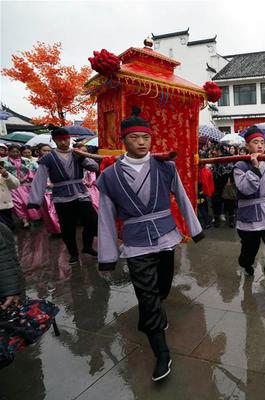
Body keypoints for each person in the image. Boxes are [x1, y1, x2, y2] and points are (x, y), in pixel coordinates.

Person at [96, 107, 204, 381]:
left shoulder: (165, 166)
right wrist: (107, 256)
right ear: (124, 141)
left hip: (167, 236)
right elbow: (106, 220)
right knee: (147, 296)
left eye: (146, 137)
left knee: (163, 287)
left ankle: (154, 312)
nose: (142, 142)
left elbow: (181, 196)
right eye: (135, 138)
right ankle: (161, 352)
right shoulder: (109, 177)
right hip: (136, 244)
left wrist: (194, 229)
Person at [28, 127, 98, 265]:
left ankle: (87, 246)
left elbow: (94, 168)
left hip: (81, 192)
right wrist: (34, 201)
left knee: (93, 220)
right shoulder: (48, 158)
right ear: (54, 140)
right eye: (60, 140)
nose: (64, 142)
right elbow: (40, 179)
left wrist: (82, 159)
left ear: (69, 138)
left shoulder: (77, 153)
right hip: (61, 195)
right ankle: (73, 254)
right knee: (67, 227)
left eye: (66, 139)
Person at [233, 126, 265, 300]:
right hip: (249, 215)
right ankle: (246, 263)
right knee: (249, 249)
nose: (260, 146)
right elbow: (245, 189)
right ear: (247, 146)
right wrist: (254, 168)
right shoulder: (240, 165)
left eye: (262, 142)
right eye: (255, 142)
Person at [2, 144, 40, 228]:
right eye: (13, 151)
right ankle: (24, 220)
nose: (15, 153)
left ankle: (31, 218)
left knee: (27, 203)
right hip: (12, 186)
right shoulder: (3, 161)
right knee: (17, 204)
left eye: (17, 151)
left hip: (25, 185)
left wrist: (26, 178)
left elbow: (34, 170)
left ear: (20, 152)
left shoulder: (26, 160)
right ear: (8, 152)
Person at [0, 160, 20, 230]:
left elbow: (16, 185)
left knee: (7, 228)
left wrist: (6, 175)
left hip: (4, 207)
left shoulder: (3, 173)